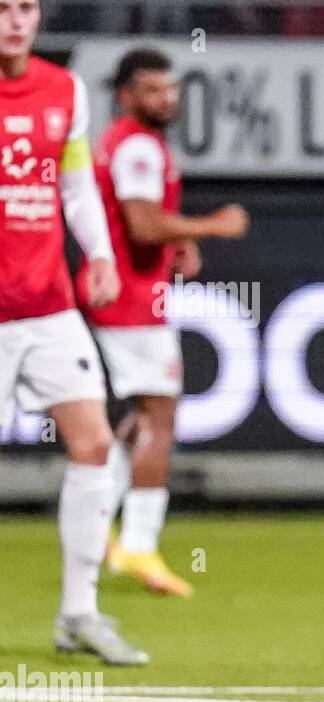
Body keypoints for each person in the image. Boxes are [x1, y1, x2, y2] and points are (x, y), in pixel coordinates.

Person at [0, 0, 146, 664]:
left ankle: (79, 614)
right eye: (3, 9)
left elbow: (77, 187)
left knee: (93, 445)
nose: (15, 21)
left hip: (50, 307)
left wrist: (103, 255)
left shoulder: (64, 90)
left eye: (26, 7)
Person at [76, 47, 248, 597]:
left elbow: (141, 228)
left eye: (170, 88)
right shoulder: (138, 148)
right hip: (129, 297)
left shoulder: (126, 144)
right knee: (161, 411)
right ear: (125, 95)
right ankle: (140, 544)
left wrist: (179, 242)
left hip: (122, 291)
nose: (165, 98)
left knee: (142, 411)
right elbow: (144, 224)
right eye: (152, 89)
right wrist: (212, 227)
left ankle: (100, 528)